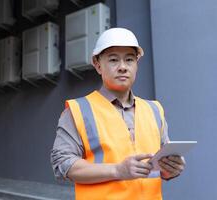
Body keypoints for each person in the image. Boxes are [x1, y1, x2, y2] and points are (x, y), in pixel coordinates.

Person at [50, 27, 186, 200]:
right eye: (114, 60)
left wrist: (171, 169)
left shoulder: (154, 110)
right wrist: (117, 170)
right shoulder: (78, 110)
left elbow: (160, 167)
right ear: (98, 65)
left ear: (136, 64)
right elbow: (63, 165)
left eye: (129, 59)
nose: (123, 67)